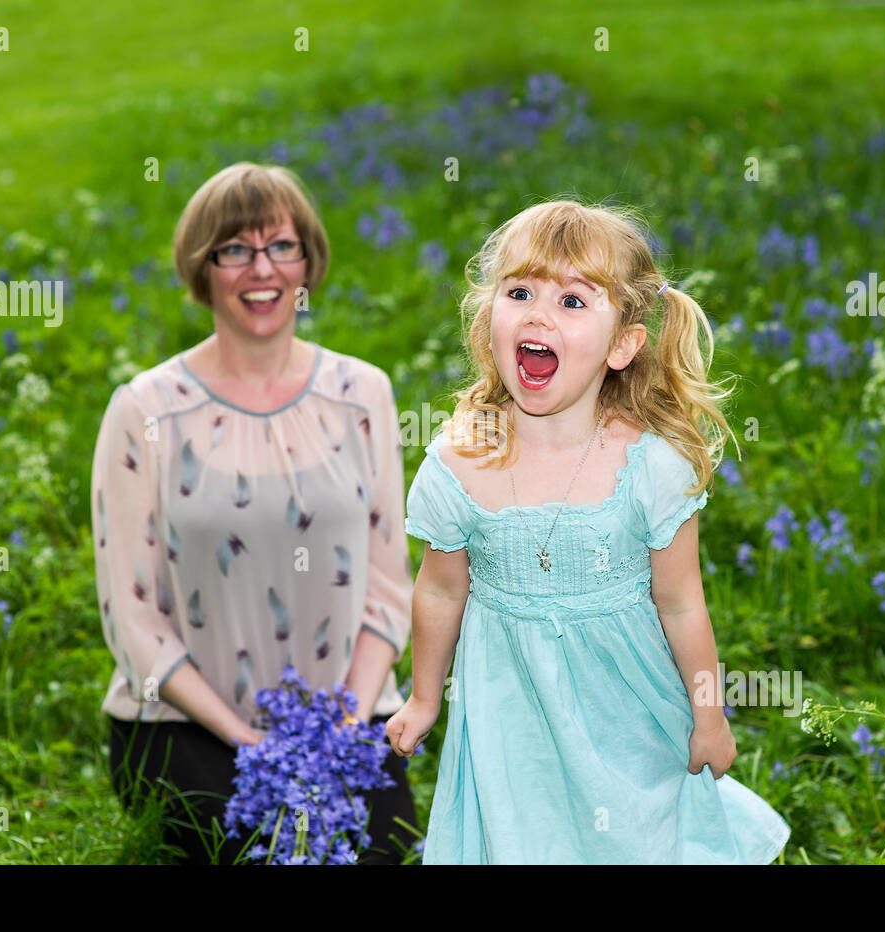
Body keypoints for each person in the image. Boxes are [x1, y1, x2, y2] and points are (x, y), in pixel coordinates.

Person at [386, 197, 792, 863]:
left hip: (627, 709)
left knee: (640, 837)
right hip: (509, 711)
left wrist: (709, 714)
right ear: (489, 315)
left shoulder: (649, 464)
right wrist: (426, 695)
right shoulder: (458, 461)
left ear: (623, 345)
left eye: (574, 301)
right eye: (520, 291)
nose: (539, 313)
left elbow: (682, 600)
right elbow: (439, 590)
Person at [92, 162, 418, 864]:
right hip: (187, 726)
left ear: (309, 263)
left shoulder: (364, 393)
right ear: (202, 268)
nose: (260, 269)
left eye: (281, 246)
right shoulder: (145, 409)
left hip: (349, 716)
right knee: (261, 852)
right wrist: (254, 744)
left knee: (378, 855)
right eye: (234, 249)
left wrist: (345, 729)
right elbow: (133, 616)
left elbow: (391, 589)